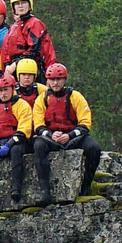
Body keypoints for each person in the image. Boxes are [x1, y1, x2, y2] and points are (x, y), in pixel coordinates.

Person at [28, 62, 100, 206]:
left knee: (94, 148)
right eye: (52, 79)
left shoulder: (75, 96)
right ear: (47, 80)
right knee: (38, 146)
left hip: (73, 136)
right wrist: (50, 134)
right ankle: (44, 191)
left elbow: (85, 123)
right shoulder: (42, 99)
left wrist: (70, 135)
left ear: (64, 80)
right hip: (51, 138)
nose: (55, 83)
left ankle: (86, 186)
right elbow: (38, 124)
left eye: (58, 79)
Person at [0, 71, 30, 200]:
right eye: (0, 90)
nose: (3, 93)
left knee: (16, 150)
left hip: (16, 141)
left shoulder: (22, 105)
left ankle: (16, 189)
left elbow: (25, 128)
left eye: (6, 89)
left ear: (13, 89)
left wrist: (9, 144)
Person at [1, 0, 56, 79]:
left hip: (31, 69)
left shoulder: (34, 23)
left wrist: (16, 64)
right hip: (14, 70)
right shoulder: (13, 27)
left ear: (30, 6)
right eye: (17, 4)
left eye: (23, 3)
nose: (20, 6)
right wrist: (7, 65)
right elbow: (6, 50)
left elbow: (35, 51)